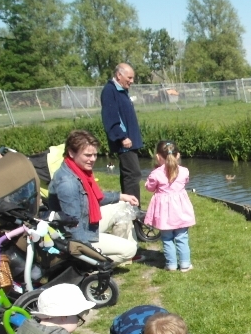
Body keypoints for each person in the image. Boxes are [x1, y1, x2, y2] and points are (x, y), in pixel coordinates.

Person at [48, 130, 139, 263]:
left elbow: (94, 198)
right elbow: (73, 226)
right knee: (130, 250)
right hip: (77, 235)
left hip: (87, 221)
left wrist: (121, 196)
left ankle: (120, 252)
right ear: (71, 153)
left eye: (95, 155)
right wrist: (88, 253)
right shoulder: (68, 183)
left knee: (123, 207)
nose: (93, 159)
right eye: (88, 155)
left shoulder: (78, 170)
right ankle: (93, 266)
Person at [145, 141, 195, 272]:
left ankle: (171, 265)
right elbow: (185, 181)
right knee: (182, 237)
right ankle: (185, 264)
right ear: (177, 155)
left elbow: (149, 188)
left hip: (164, 213)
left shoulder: (156, 173)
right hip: (181, 210)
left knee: (167, 238)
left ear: (158, 157)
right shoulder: (184, 171)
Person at [101, 63, 143, 203]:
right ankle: (133, 210)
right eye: (129, 78)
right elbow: (111, 117)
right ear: (119, 75)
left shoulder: (121, 91)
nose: (132, 81)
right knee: (132, 174)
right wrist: (122, 136)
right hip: (125, 142)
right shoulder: (110, 91)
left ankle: (129, 208)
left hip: (130, 140)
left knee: (129, 174)